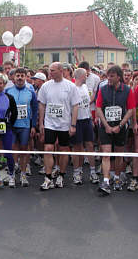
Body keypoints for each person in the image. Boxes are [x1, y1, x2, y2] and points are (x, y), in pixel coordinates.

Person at [37, 62, 80, 190]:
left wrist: (73, 125)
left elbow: (75, 106)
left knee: (63, 150)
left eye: (53, 71)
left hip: (64, 124)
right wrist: (41, 123)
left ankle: (61, 174)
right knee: (48, 148)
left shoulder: (70, 86)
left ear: (61, 71)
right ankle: (48, 177)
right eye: (50, 70)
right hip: (50, 123)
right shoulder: (46, 86)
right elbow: (42, 105)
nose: (50, 73)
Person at [95, 65, 135, 195]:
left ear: (119, 77)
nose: (109, 79)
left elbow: (130, 109)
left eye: (112, 76)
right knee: (106, 153)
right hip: (105, 126)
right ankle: (106, 180)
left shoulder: (127, 90)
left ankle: (117, 177)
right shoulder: (103, 89)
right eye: (108, 76)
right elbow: (98, 108)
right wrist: (106, 125)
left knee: (118, 154)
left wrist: (121, 125)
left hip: (120, 126)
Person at [5, 68, 38, 187]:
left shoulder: (31, 91)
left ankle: (23, 175)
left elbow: (35, 109)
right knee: (13, 151)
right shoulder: (8, 91)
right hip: (12, 126)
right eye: (17, 76)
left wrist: (33, 126)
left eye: (22, 76)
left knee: (24, 151)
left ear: (25, 77)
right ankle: (12, 175)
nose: (19, 78)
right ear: (14, 77)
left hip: (25, 126)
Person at [71, 68, 99, 184]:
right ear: (80, 76)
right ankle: (77, 172)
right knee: (77, 147)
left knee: (90, 145)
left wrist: (91, 119)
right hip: (77, 121)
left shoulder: (85, 87)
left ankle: (92, 171)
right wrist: (72, 124)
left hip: (86, 120)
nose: (87, 78)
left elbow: (87, 104)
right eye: (85, 76)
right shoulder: (72, 89)